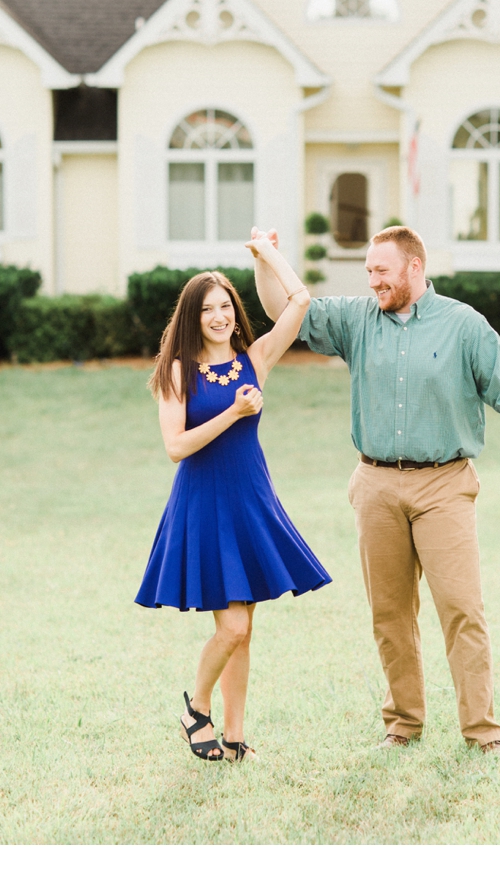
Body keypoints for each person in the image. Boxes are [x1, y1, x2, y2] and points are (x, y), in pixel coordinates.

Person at [250, 224, 500, 757]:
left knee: (461, 609)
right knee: (390, 614)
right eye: (369, 272)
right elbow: (284, 312)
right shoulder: (357, 320)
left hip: (444, 485)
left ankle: (483, 733)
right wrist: (265, 260)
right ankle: (403, 724)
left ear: (414, 268)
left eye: (382, 271)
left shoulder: (463, 325)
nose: (373, 280)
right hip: (376, 484)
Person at [135, 239, 327, 763]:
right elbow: (176, 447)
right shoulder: (177, 372)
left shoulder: (254, 359)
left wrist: (265, 255)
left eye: (225, 306)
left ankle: (237, 737)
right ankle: (196, 709)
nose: (218, 316)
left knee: (245, 629)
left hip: (250, 500)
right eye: (206, 309)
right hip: (203, 506)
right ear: (191, 319)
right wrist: (232, 415)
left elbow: (301, 301)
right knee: (233, 626)